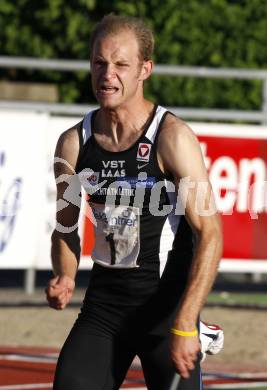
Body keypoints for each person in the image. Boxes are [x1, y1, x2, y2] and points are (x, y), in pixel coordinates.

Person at [46, 14, 223, 390]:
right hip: (104, 311)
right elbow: (65, 227)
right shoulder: (73, 143)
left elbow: (210, 233)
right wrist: (65, 274)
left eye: (121, 64)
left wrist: (187, 321)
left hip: (167, 313)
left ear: (145, 69)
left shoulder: (171, 137)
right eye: (99, 63)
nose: (107, 74)